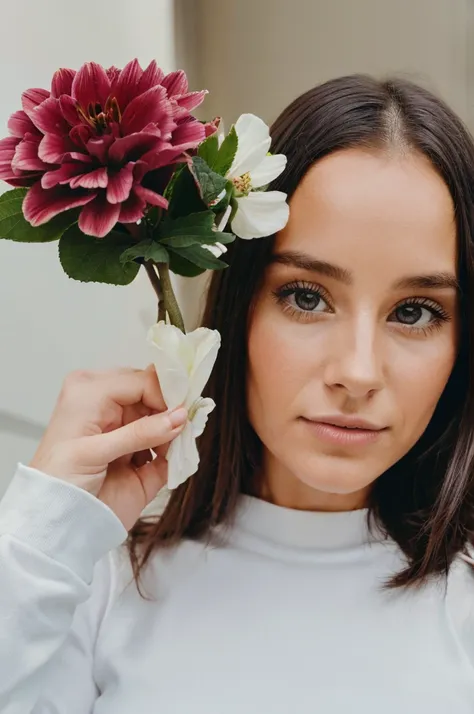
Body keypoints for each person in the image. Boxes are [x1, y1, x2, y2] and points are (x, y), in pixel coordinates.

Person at [1, 74, 474, 714]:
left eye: (415, 312)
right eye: (307, 297)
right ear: (239, 309)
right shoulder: (99, 587)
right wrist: (42, 531)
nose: (358, 372)